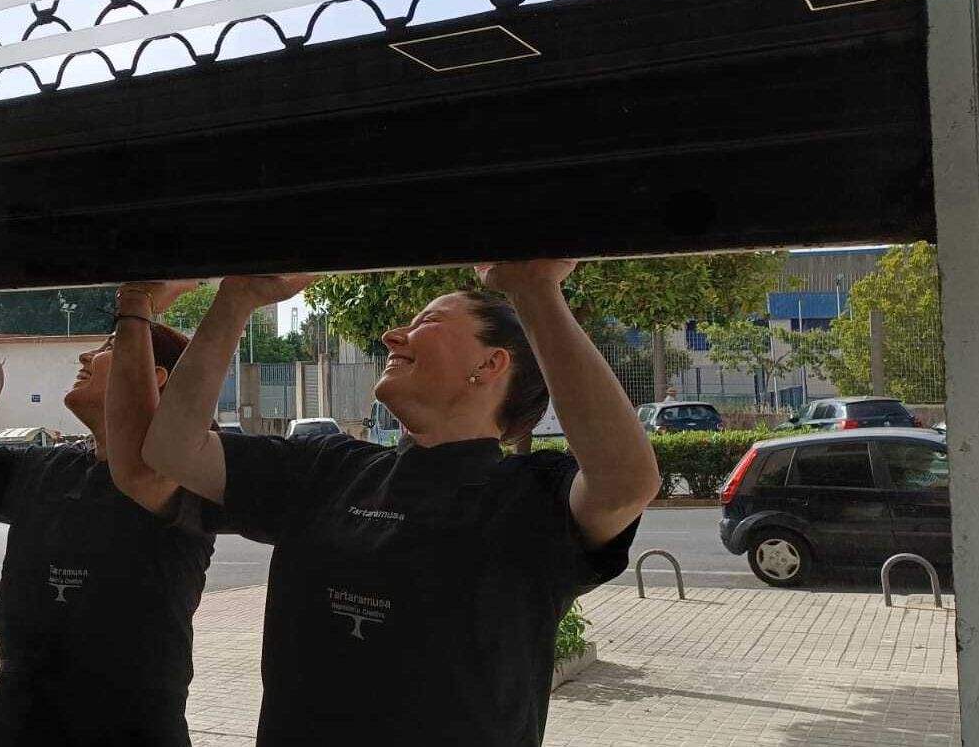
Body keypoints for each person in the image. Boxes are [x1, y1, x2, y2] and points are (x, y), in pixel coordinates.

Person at [138, 262, 661, 747]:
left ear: (490, 363)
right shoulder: (326, 468)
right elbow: (173, 449)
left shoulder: (529, 497)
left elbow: (626, 482)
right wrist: (237, 298)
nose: (392, 336)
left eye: (427, 321)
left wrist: (534, 288)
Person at [0, 293, 213, 746]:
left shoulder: (185, 479)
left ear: (153, 377)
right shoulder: (40, 468)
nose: (84, 354)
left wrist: (139, 301)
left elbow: (173, 437)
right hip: (16, 727)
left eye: (110, 344)